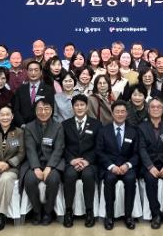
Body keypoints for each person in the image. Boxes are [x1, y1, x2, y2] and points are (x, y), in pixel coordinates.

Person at [20, 99, 65, 225]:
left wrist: (49, 167)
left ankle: (48, 211)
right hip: (35, 162)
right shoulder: (29, 127)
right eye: (40, 109)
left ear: (51, 111)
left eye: (46, 109)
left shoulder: (58, 126)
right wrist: (36, 167)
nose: (43, 112)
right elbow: (30, 149)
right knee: (29, 180)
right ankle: (37, 210)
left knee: (53, 179)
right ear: (35, 111)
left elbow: (59, 149)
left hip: (53, 163)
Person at [96, 99, 139, 230]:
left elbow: (137, 154)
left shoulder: (133, 131)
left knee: (131, 179)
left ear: (126, 114)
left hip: (127, 167)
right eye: (117, 112)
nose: (120, 114)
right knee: (109, 179)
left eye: (123, 112)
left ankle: (128, 216)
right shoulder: (103, 131)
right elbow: (99, 152)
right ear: (112, 113)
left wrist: (127, 165)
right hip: (110, 167)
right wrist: (111, 166)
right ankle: (109, 216)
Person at [138, 98, 163, 229]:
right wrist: (150, 167)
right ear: (148, 109)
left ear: (162, 109)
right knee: (150, 181)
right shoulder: (141, 127)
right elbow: (141, 149)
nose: (156, 109)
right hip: (149, 165)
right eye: (153, 107)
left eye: (159, 107)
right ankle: (155, 214)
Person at [61, 94, 101, 228]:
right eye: (76, 105)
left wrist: (87, 161)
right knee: (69, 175)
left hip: (89, 162)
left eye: (82, 105)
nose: (79, 108)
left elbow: (98, 147)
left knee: (88, 175)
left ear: (87, 107)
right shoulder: (65, 125)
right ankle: (68, 211)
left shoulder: (96, 124)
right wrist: (72, 160)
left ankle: (89, 211)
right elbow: (62, 146)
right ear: (72, 108)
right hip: (71, 162)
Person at [11, 61, 55, 126]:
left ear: (41, 72)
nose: (33, 73)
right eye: (30, 70)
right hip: (23, 126)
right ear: (27, 72)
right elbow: (16, 110)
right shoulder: (20, 89)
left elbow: (51, 109)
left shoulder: (48, 89)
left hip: (42, 126)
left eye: (36, 70)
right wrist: (22, 124)